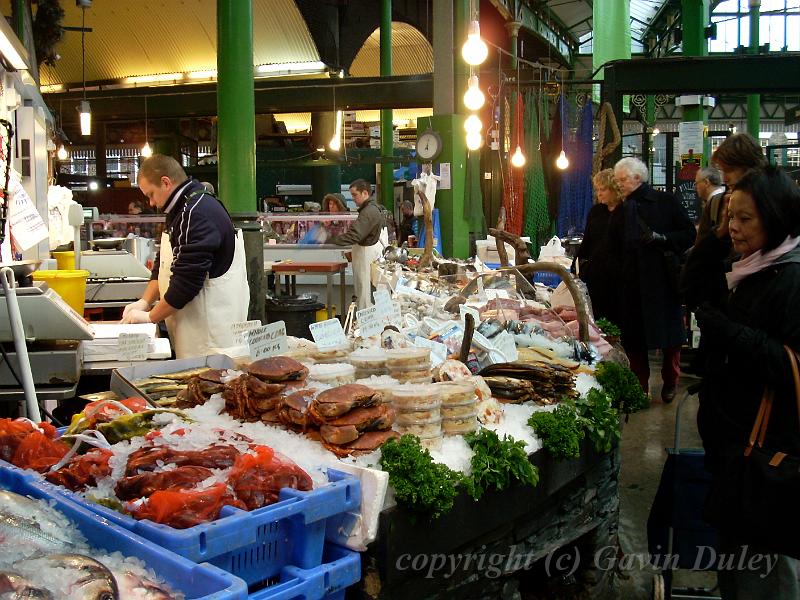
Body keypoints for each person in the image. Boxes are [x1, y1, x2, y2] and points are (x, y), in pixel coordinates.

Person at [681, 166, 800, 597]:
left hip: (768, 451)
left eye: (746, 218)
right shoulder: (745, 265)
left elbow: (791, 366)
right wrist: (716, 238)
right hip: (733, 442)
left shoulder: (791, 277)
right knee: (736, 558)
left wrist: (729, 331)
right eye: (731, 215)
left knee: (763, 566)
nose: (733, 226)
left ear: (777, 217)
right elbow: (690, 284)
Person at [121, 154, 249, 358]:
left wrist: (150, 317)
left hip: (210, 339)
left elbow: (186, 283)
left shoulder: (196, 212)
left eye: (151, 194)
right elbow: (164, 263)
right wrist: (144, 301)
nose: (151, 202)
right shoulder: (181, 208)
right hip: (194, 332)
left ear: (166, 182)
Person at [614, 157, 695, 402]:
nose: (619, 185)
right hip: (631, 282)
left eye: (622, 180)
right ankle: (640, 386)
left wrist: (662, 238)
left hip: (661, 281)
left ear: (638, 178)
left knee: (670, 337)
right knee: (634, 340)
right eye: (617, 181)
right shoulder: (621, 208)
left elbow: (688, 233)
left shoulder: (665, 201)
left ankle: (671, 381)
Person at [576, 169, 626, 326]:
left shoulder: (626, 212)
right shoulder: (596, 211)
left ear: (614, 189)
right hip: (595, 275)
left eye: (603, 189)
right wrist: (576, 266)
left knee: (617, 319)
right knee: (596, 319)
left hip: (619, 277)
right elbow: (587, 241)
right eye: (597, 189)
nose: (600, 193)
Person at [328, 179, 387, 310]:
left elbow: (354, 235)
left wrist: (330, 240)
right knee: (364, 293)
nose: (353, 198)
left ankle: (365, 326)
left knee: (364, 294)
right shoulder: (372, 209)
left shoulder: (368, 212)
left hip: (366, 257)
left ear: (365, 193)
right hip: (367, 256)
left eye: (355, 195)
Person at [693, 166, 726, 245]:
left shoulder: (717, 202)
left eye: (696, 183)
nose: (695, 187)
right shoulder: (719, 198)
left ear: (706, 182)